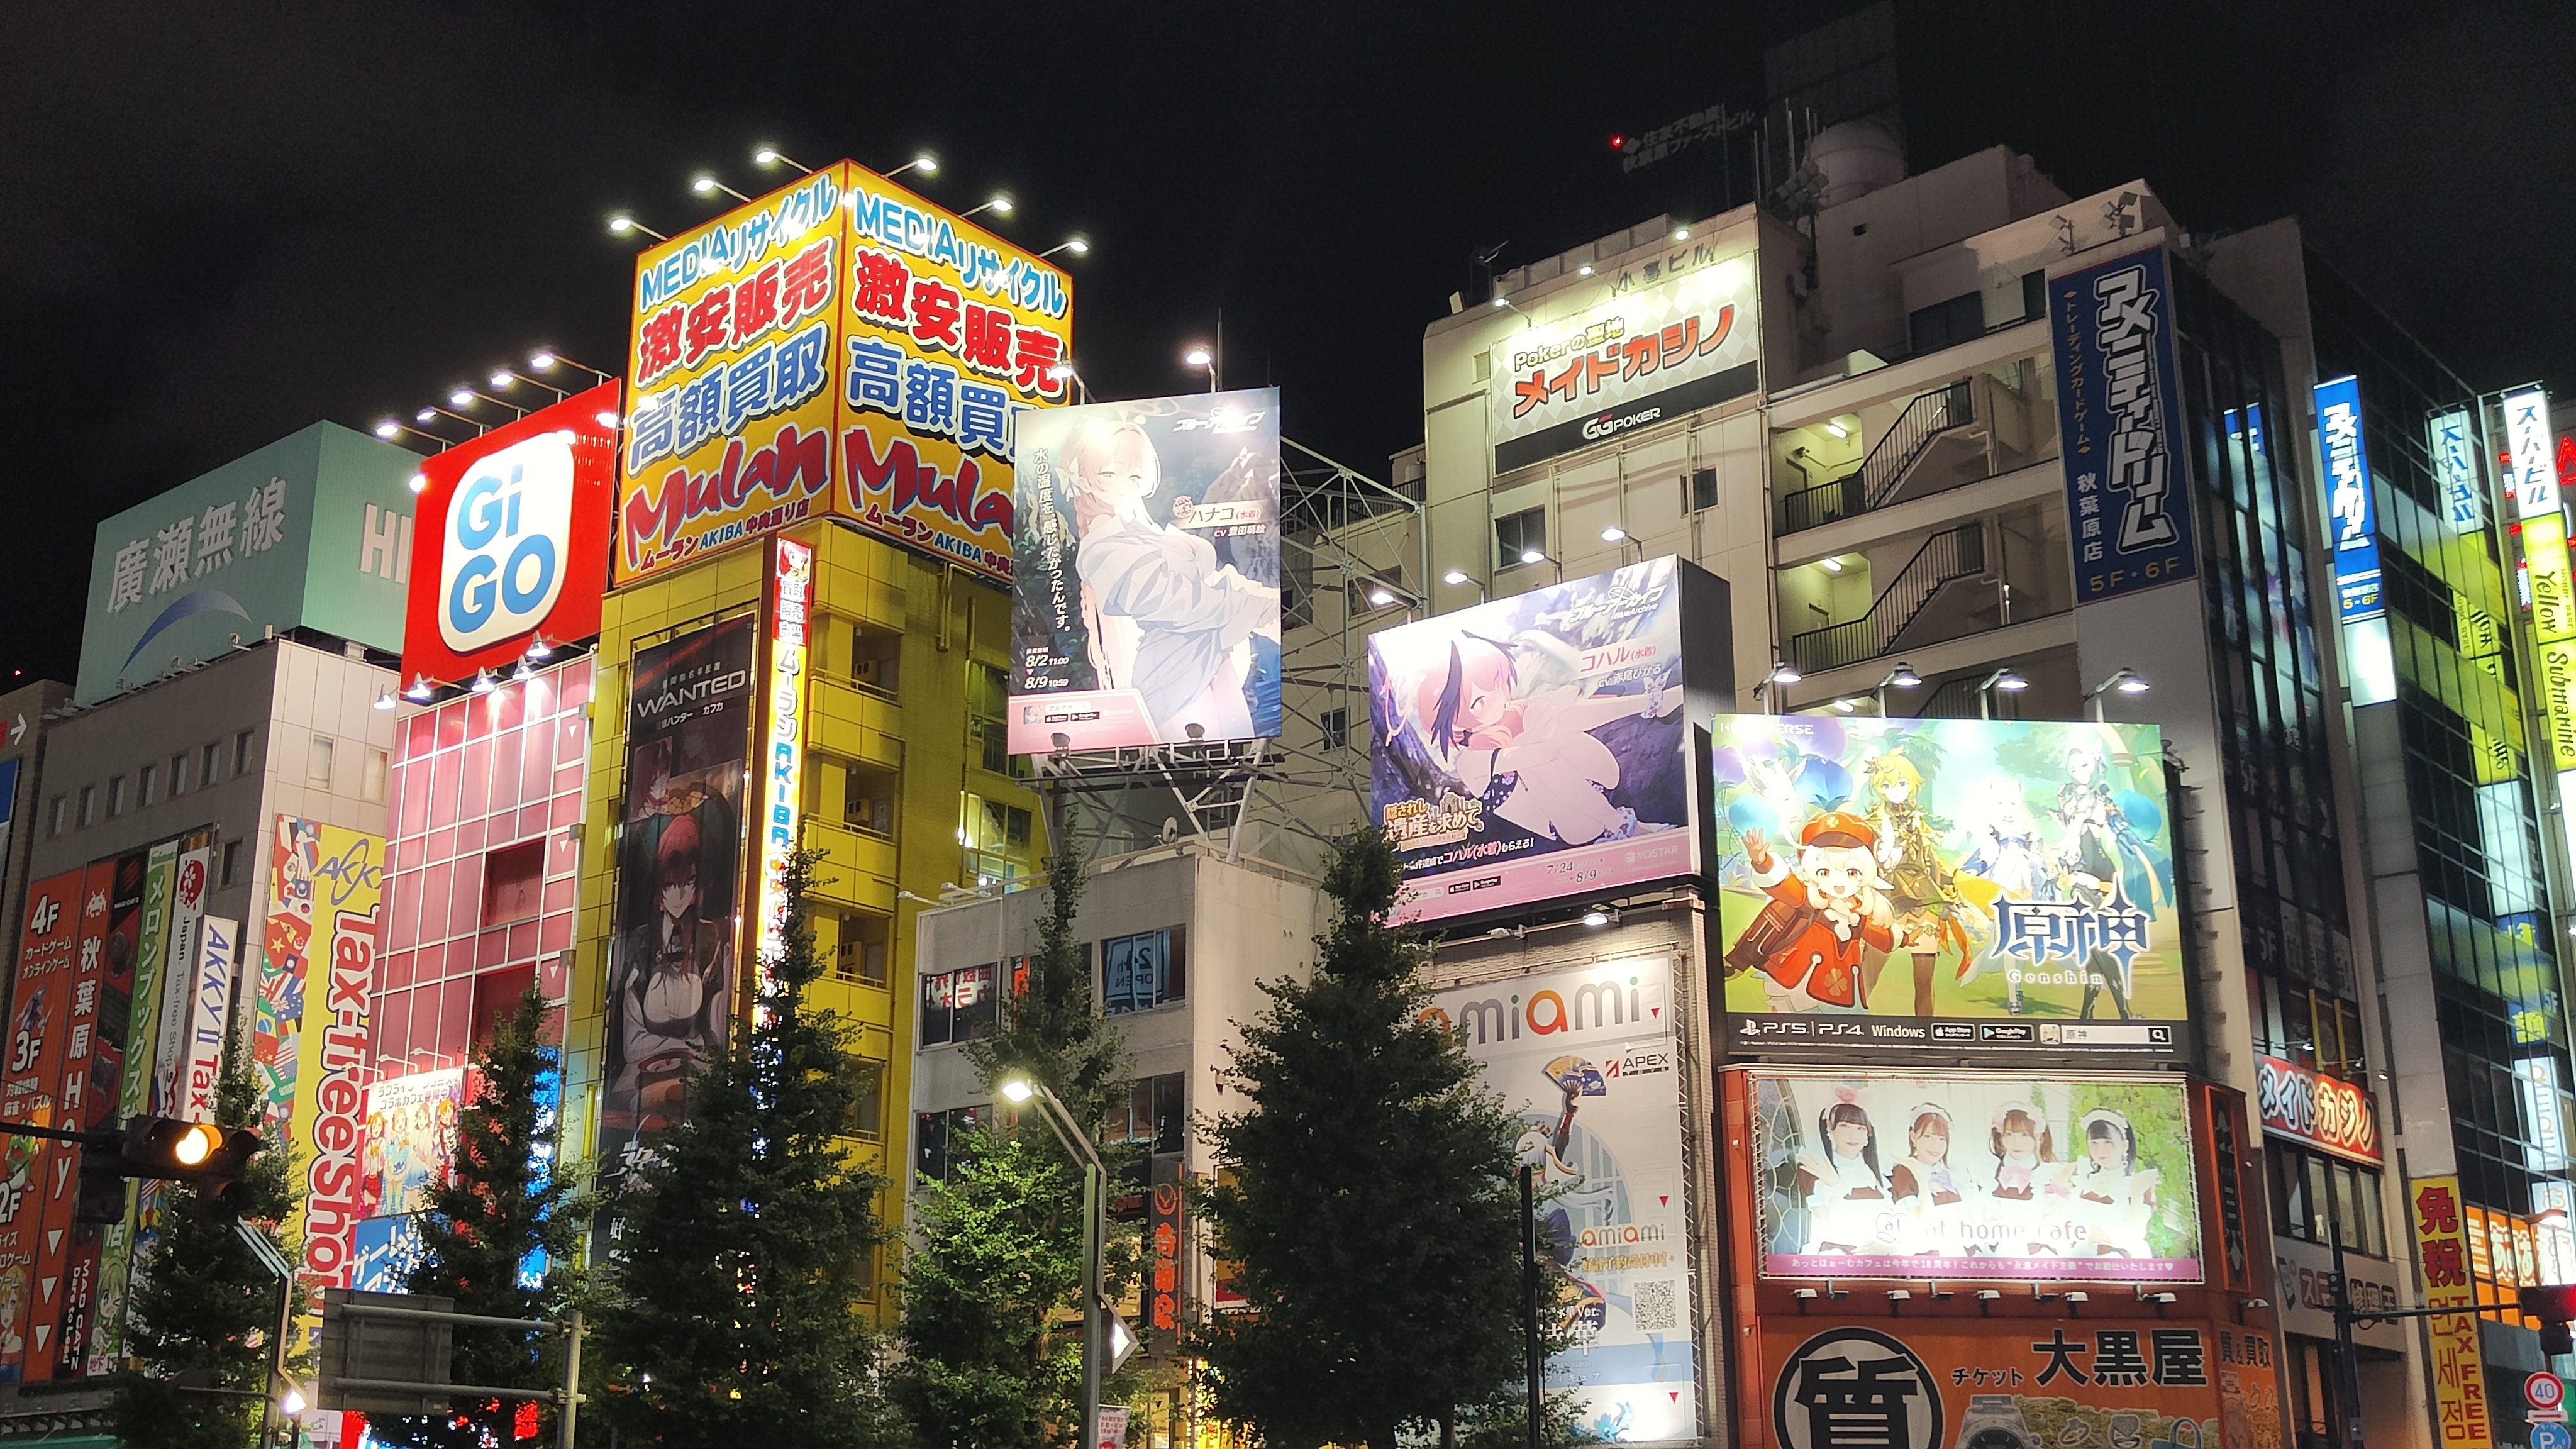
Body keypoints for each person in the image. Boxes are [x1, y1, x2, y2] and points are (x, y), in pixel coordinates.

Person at [1063, 420, 1279, 743]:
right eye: (1110, 473)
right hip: (1173, 675)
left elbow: (1211, 581)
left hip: (1210, 662)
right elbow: (1172, 601)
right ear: (1084, 475)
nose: (1125, 483)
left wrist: (1264, 602)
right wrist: (1254, 605)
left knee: (1230, 762)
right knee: (1196, 765)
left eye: (1135, 474)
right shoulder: (1103, 545)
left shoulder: (1143, 528)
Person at [1410, 633, 1679, 847]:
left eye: (1496, 684)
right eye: (1479, 701)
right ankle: (1626, 827)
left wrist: (1550, 709)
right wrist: (1548, 713)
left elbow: (1570, 694)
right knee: (1532, 738)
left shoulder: (1513, 711)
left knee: (1538, 720)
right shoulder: (1470, 762)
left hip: (1597, 778)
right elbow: (1543, 754)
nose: (1495, 697)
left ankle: (1654, 703)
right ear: (1453, 721)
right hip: (1572, 823)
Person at [607, 812, 735, 1135]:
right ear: (659, 892)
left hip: (698, 1072)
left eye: (688, 883)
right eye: (671, 885)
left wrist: (691, 1054)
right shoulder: (638, 944)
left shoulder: (716, 940)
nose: (680, 893)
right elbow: (632, 1039)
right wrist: (670, 1052)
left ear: (700, 887)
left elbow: (718, 1031)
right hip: (642, 1072)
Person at [1726, 813, 1897, 1011]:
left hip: (1843, 990)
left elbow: (1879, 937)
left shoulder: (1857, 911)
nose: (1839, 882)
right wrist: (1763, 863)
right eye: (1825, 872)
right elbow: (1784, 886)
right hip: (1799, 978)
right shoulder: (1807, 900)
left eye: (1851, 872)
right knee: (1783, 1025)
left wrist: (1905, 938)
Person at [1794, 1099, 1890, 1254]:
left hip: (1879, 1260)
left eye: (1860, 1128)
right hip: (1835, 1258)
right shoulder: (1814, 1167)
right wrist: (1835, 1185)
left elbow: (1896, 1220)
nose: (1853, 1135)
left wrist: (1886, 1244)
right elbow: (1829, 1224)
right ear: (1830, 1128)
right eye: (1844, 1126)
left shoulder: (1885, 1170)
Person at [2071, 1108, 2160, 1257]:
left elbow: (2135, 1235)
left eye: (2108, 1142)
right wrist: (2083, 1232)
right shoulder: (2081, 1180)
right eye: (2094, 1143)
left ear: (2124, 1146)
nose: (2100, 1150)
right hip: (2080, 1259)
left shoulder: (2138, 1184)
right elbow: (2064, 1223)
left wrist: (2137, 1194)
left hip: (2122, 1262)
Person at [1888, 1102, 1966, 1255]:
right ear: (1914, 1137)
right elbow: (1919, 1221)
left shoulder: (1951, 1172)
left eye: (1941, 1139)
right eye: (1928, 1137)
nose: (1935, 1146)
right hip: (1922, 1255)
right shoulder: (1903, 1171)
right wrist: (1920, 1178)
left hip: (1954, 1251)